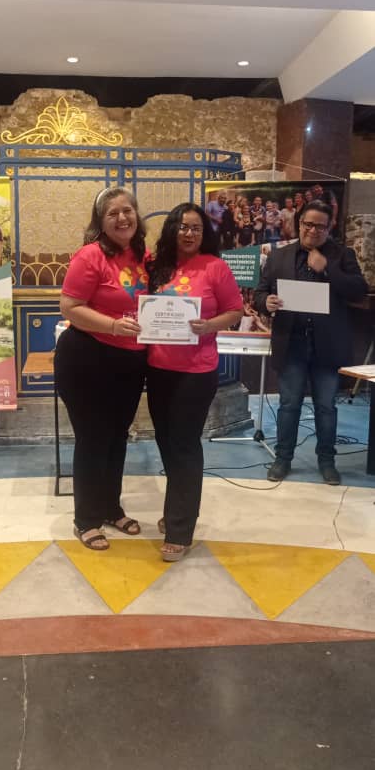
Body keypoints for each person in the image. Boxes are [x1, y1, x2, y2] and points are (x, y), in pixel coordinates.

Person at [145, 203, 243, 562]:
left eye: (196, 228)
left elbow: (235, 310)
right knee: (166, 442)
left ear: (205, 234)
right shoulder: (157, 267)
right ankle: (178, 509)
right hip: (157, 368)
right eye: (183, 227)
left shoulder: (215, 267)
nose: (189, 233)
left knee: (184, 445)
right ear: (172, 229)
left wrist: (209, 326)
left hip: (196, 372)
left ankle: (180, 529)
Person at [54, 188, 149, 551]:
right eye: (113, 213)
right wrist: (111, 326)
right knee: (93, 439)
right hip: (87, 359)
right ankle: (86, 519)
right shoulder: (89, 256)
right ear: (101, 221)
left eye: (128, 211)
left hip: (128, 362)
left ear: (137, 216)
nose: (122, 218)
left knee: (117, 437)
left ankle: (111, 507)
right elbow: (70, 306)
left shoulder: (144, 256)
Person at [253, 200, 368, 485]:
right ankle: (283, 458)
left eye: (320, 226)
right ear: (299, 224)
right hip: (291, 343)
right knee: (289, 405)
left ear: (329, 228)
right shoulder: (280, 256)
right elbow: (260, 292)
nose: (313, 230)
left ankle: (327, 461)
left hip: (327, 347)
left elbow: (358, 291)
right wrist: (265, 302)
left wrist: (328, 269)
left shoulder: (342, 255)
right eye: (308, 224)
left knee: (326, 406)